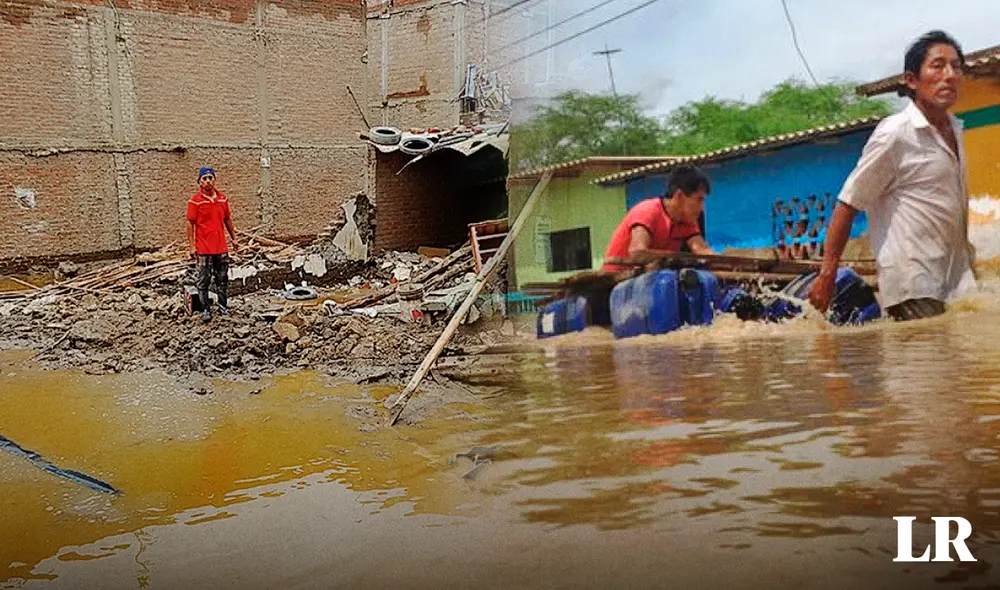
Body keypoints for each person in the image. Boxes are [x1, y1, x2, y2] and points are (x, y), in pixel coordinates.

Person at [808, 30, 977, 321]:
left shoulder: (956, 129)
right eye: (937, 66)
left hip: (954, 283)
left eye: (956, 66)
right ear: (911, 80)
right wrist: (827, 275)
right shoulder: (896, 133)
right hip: (913, 284)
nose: (949, 74)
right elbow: (848, 203)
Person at [602, 165, 715, 271]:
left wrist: (728, 261)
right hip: (616, 283)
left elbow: (703, 252)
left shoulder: (686, 221)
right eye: (699, 200)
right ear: (679, 196)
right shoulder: (647, 211)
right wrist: (679, 259)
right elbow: (637, 252)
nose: (702, 208)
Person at [187, 166, 238, 322]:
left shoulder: (222, 199)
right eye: (205, 178)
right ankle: (206, 310)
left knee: (222, 279)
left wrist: (234, 238)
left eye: (210, 178)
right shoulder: (194, 201)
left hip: (221, 247)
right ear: (199, 182)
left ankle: (223, 308)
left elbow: (227, 219)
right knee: (203, 280)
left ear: (215, 180)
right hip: (204, 248)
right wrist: (191, 246)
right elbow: (190, 223)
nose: (208, 181)